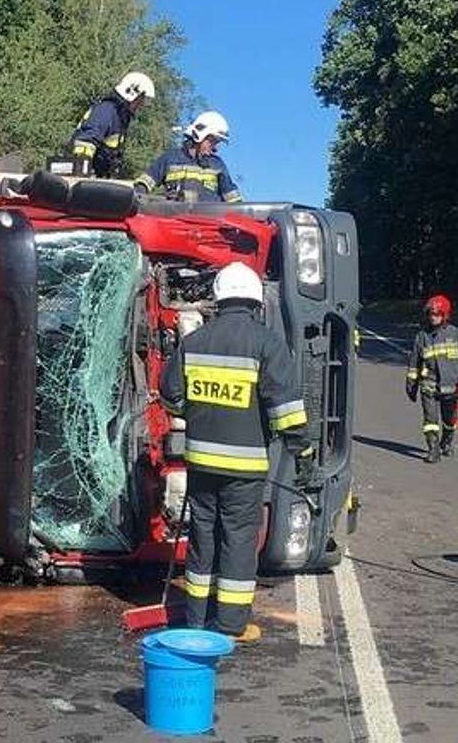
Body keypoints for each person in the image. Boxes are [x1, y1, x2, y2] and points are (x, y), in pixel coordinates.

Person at [159, 262, 311, 643]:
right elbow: (286, 410)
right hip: (244, 468)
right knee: (239, 539)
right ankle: (230, 624)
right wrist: (301, 449)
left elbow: (170, 395)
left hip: (201, 464)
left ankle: (196, 618)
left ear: (219, 298)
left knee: (203, 536)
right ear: (256, 301)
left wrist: (196, 413)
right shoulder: (266, 344)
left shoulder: (194, 342)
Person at [405, 294, 458, 463]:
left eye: (437, 314)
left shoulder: (457, 334)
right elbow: (414, 363)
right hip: (429, 384)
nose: (433, 317)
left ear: (445, 315)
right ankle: (433, 449)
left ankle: (446, 442)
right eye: (430, 314)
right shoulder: (422, 336)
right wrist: (411, 384)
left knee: (449, 419)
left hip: (451, 385)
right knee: (430, 420)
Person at [133, 111, 242, 203]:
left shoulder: (217, 165)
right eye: (212, 142)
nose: (215, 148)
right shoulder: (170, 158)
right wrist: (138, 196)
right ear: (200, 135)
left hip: (208, 221)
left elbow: (233, 200)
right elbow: (144, 183)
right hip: (174, 219)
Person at [69, 71, 155, 178]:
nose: (142, 106)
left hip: (98, 177)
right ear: (132, 94)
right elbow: (85, 143)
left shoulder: (121, 117)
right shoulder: (106, 111)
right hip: (82, 177)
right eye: (141, 100)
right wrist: (82, 173)